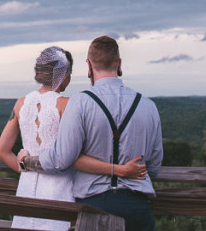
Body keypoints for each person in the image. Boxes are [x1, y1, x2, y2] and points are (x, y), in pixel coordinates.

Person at [17, 36, 163, 231]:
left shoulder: (80, 103)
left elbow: (61, 159)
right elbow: (153, 167)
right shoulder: (148, 106)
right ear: (119, 64)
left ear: (89, 66)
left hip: (95, 206)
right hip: (138, 207)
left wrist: (27, 161)